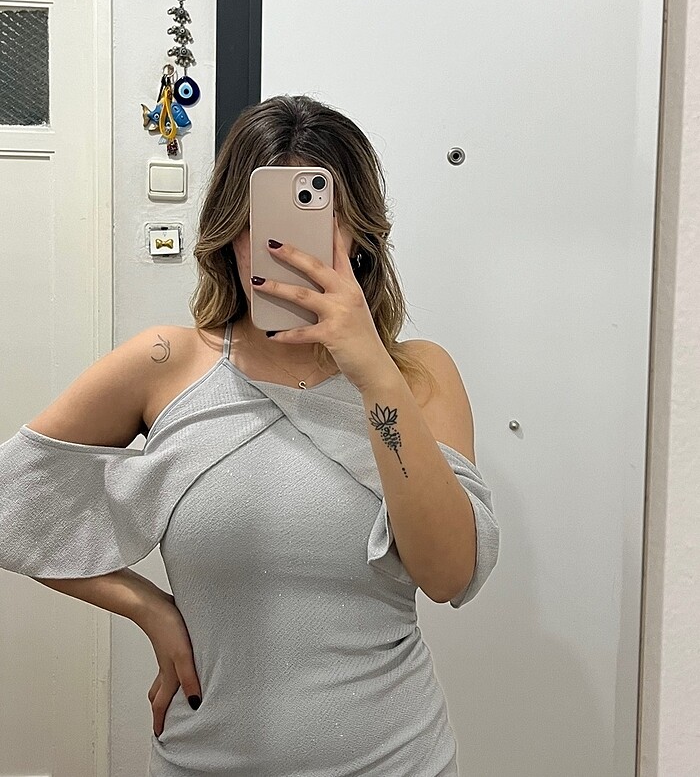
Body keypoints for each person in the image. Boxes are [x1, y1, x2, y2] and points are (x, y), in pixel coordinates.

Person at [0, 94, 500, 777]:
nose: (288, 251)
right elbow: (13, 506)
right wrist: (151, 610)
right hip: (204, 759)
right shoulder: (167, 364)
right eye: (262, 226)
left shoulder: (416, 374)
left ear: (360, 237)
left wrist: (372, 373)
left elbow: (449, 575)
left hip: (396, 758)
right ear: (228, 232)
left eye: (315, 225)